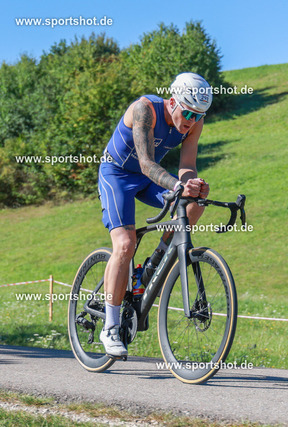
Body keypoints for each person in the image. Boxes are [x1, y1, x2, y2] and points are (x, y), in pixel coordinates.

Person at [97, 72, 213, 356]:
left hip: (150, 179)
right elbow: (146, 163)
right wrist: (177, 185)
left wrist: (193, 185)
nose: (191, 120)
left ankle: (155, 262)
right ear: (173, 102)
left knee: (194, 204)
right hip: (117, 174)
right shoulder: (144, 109)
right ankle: (110, 327)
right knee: (125, 244)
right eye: (188, 112)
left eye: (198, 115)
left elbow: (187, 165)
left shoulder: (194, 122)